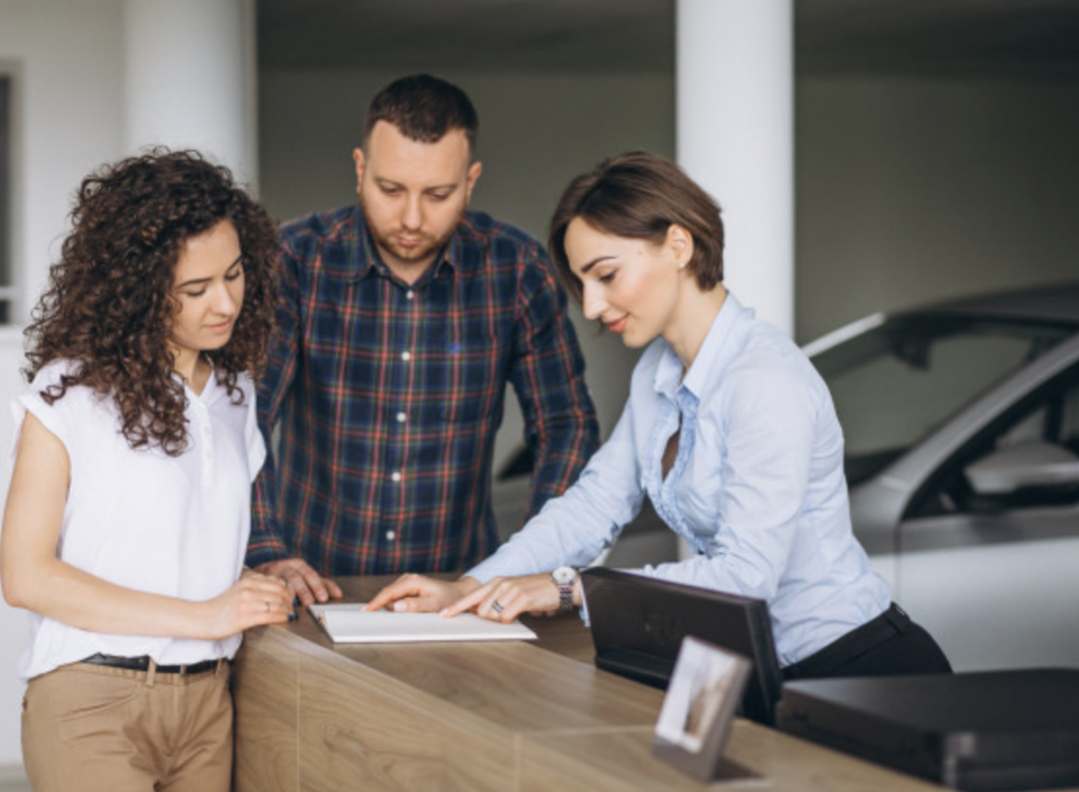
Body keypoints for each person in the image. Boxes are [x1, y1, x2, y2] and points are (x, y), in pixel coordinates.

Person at [368, 151, 952, 680]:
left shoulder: (764, 380)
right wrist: (471, 587)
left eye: (606, 275)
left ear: (678, 246)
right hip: (764, 669)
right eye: (582, 284)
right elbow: (596, 503)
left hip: (863, 669)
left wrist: (569, 589)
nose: (592, 306)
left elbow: (745, 576)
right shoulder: (657, 370)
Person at [0, 149, 293, 791]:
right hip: (92, 700)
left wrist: (253, 581)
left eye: (236, 275)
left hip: (208, 704)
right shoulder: (70, 391)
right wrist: (207, 615)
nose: (225, 302)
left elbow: (177, 547)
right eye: (195, 289)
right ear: (137, 291)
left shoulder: (236, 394)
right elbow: (24, 575)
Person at [248, 73, 600, 603]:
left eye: (438, 194)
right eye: (391, 190)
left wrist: (534, 563)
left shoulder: (517, 269)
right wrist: (266, 547)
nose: (412, 218)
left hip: (458, 591)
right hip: (312, 584)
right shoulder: (296, 260)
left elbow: (565, 425)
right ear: (360, 169)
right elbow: (241, 413)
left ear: (471, 180)